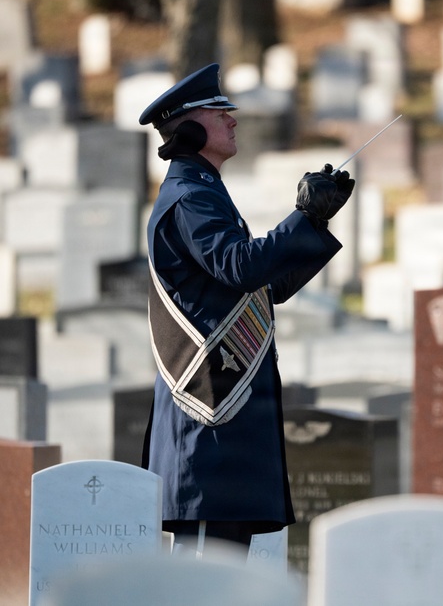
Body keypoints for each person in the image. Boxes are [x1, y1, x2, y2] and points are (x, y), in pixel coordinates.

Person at [138, 63, 353, 555]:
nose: (233, 120)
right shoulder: (190, 195)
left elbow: (264, 288)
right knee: (204, 578)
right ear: (190, 129)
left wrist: (314, 223)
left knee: (223, 574)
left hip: (223, 416)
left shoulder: (204, 189)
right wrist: (302, 216)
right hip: (207, 415)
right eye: (220, 113)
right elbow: (240, 266)